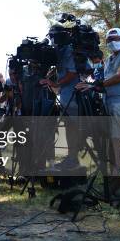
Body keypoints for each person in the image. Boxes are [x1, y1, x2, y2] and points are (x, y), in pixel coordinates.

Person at [77, 28, 120, 180]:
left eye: (116, 39)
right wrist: (89, 84)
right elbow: (103, 80)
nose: (112, 42)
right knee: (115, 141)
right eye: (109, 40)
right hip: (112, 104)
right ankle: (115, 176)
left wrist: (96, 85)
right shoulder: (109, 60)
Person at [39, 25, 83, 170]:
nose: (51, 39)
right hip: (66, 96)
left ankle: (73, 158)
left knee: (73, 128)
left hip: (73, 96)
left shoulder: (69, 50)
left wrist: (55, 83)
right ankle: (71, 158)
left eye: (52, 36)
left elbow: (72, 73)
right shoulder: (60, 50)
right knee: (70, 128)